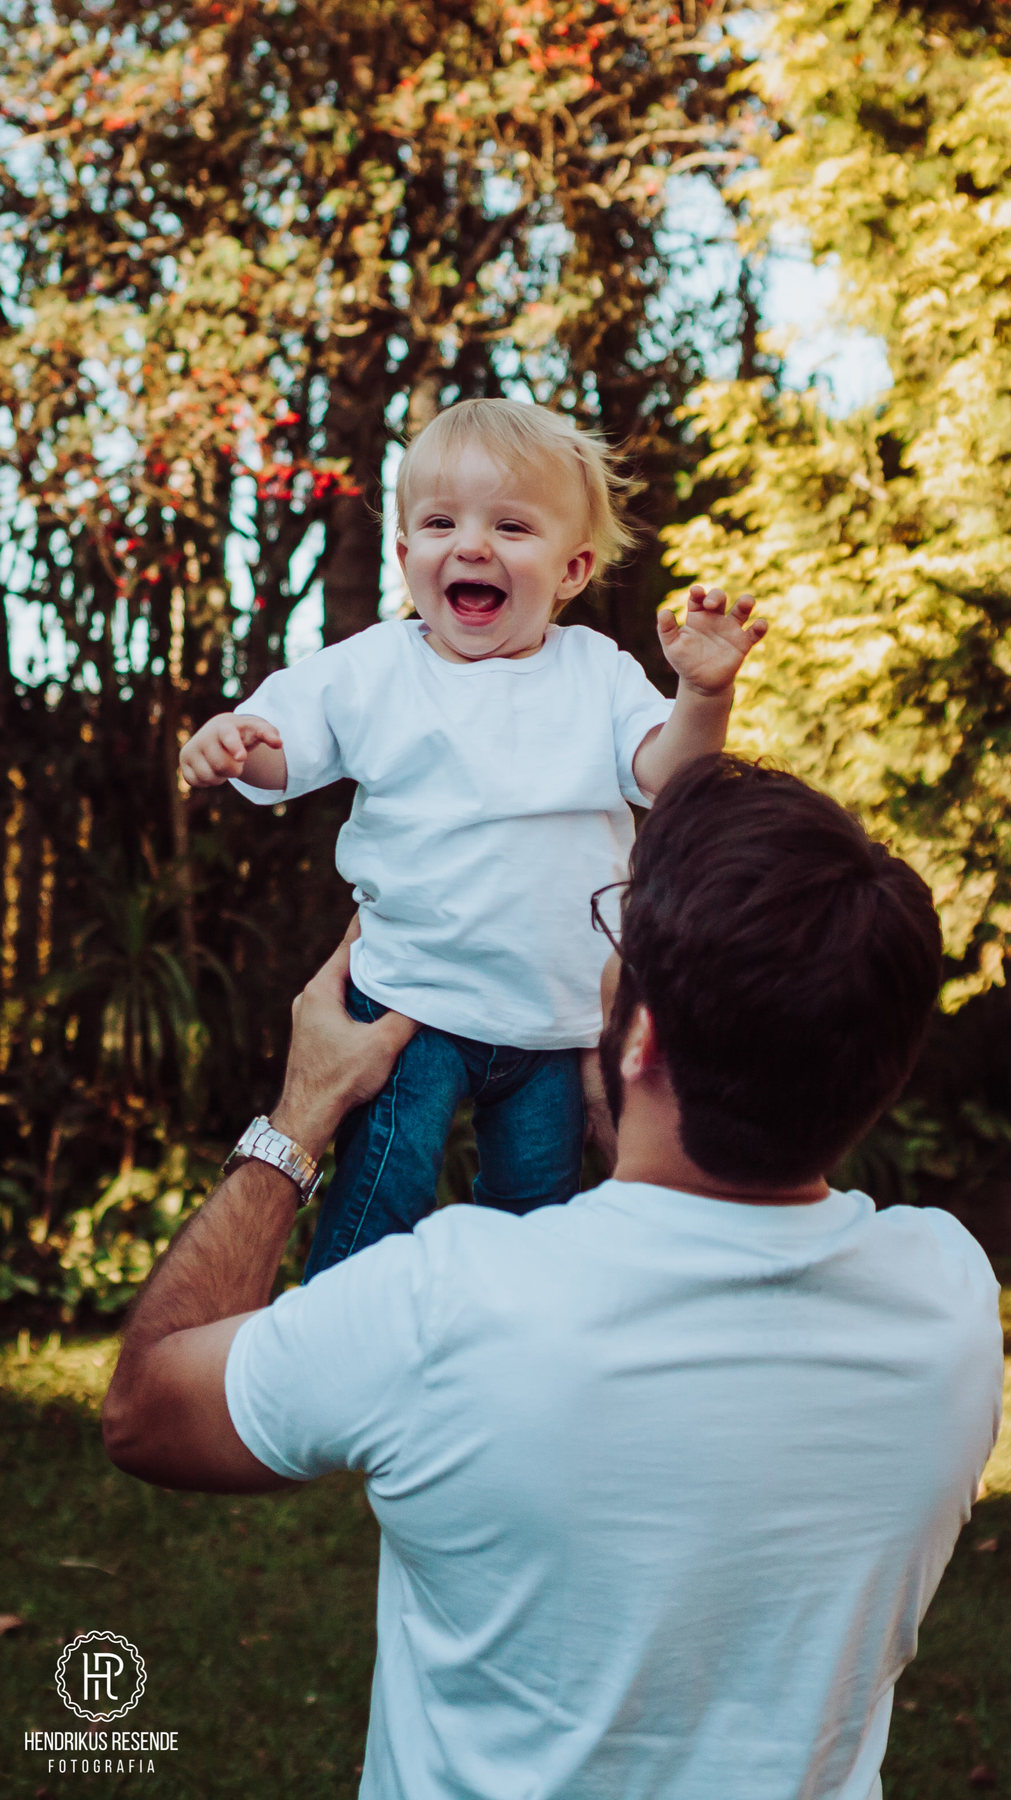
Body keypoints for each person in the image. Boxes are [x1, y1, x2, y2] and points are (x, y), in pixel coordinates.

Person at [103, 754, 1004, 1800]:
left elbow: (145, 1408)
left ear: (644, 1040)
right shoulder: (948, 1301)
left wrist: (302, 1113)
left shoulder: (449, 1304)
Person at [179, 399, 767, 1278]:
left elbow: (665, 774)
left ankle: (511, 1359)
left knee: (536, 1216)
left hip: (554, 1022)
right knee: (385, 1191)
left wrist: (705, 697)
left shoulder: (597, 673)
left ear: (570, 570)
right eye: (442, 522)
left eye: (511, 526)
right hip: (411, 1005)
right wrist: (237, 745)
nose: (473, 545)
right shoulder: (376, 667)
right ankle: (345, 1339)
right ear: (405, 552)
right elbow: (287, 743)